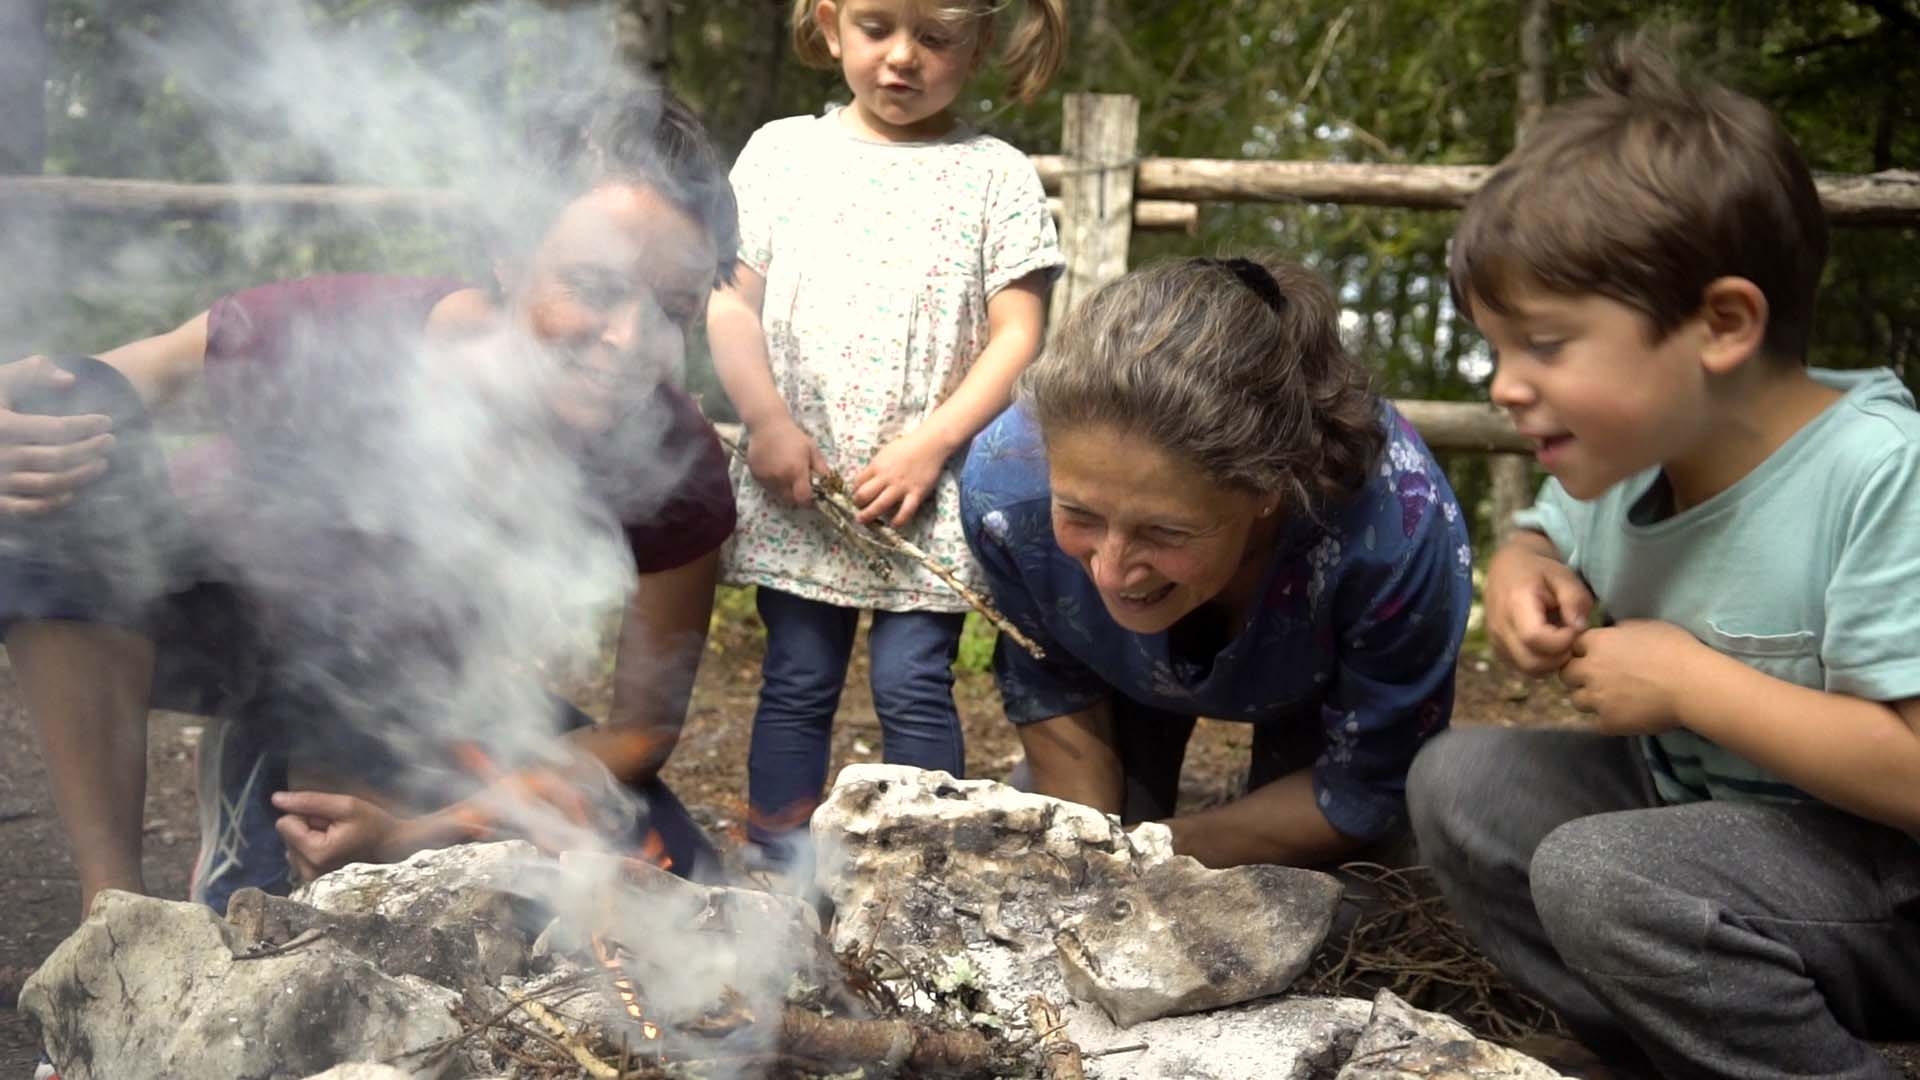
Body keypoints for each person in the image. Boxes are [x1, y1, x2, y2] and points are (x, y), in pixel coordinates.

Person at [0, 88, 741, 923]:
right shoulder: (348, 327)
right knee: (62, 438)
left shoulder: (673, 465)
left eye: (674, 309)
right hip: (204, 616)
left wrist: (424, 831)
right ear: (508, 253)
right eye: (594, 287)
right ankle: (117, 920)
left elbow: (640, 730)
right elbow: (109, 379)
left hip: (415, 686)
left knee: (688, 890)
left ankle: (298, 824)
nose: (630, 340)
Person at [1405, 38, 1920, 1080]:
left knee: (1609, 877)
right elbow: (1548, 527)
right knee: (1459, 784)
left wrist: (1690, 685)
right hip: (1703, 856)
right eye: (1496, 350)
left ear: (1720, 325)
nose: (1506, 385)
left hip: (1887, 890)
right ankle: (1659, 1047)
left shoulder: (1874, 470)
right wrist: (1522, 564)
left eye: (1544, 345)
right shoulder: (1639, 457)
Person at [958, 253, 1472, 871]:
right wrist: (1095, 856)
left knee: (1332, 899)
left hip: (1312, 674)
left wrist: (1158, 855)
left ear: (1271, 488)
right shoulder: (1006, 495)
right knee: (1059, 857)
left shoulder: (1395, 531)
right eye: (1083, 515)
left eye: (1165, 529)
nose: (1113, 572)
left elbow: (1363, 783)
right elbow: (1052, 683)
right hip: (1115, 672)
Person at [704, 0, 1066, 865]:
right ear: (830, 26)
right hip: (805, 477)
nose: (902, 58)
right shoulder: (782, 154)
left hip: (926, 489)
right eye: (877, 29)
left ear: (977, 44)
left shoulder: (995, 174)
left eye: (935, 37)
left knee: (913, 683)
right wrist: (767, 421)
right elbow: (729, 301)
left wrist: (935, 443)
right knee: (796, 679)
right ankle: (780, 865)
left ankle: (918, 870)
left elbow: (1018, 332)